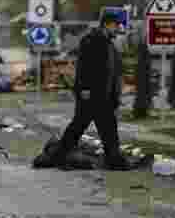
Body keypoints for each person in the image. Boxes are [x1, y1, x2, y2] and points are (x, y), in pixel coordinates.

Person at [54, 9, 128, 169]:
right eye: (116, 26)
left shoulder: (108, 43)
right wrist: (84, 88)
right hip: (91, 94)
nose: (118, 29)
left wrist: (115, 96)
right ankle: (59, 155)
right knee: (80, 126)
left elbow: (111, 71)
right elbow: (85, 67)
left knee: (107, 128)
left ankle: (113, 159)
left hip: (104, 96)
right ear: (107, 25)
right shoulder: (92, 40)